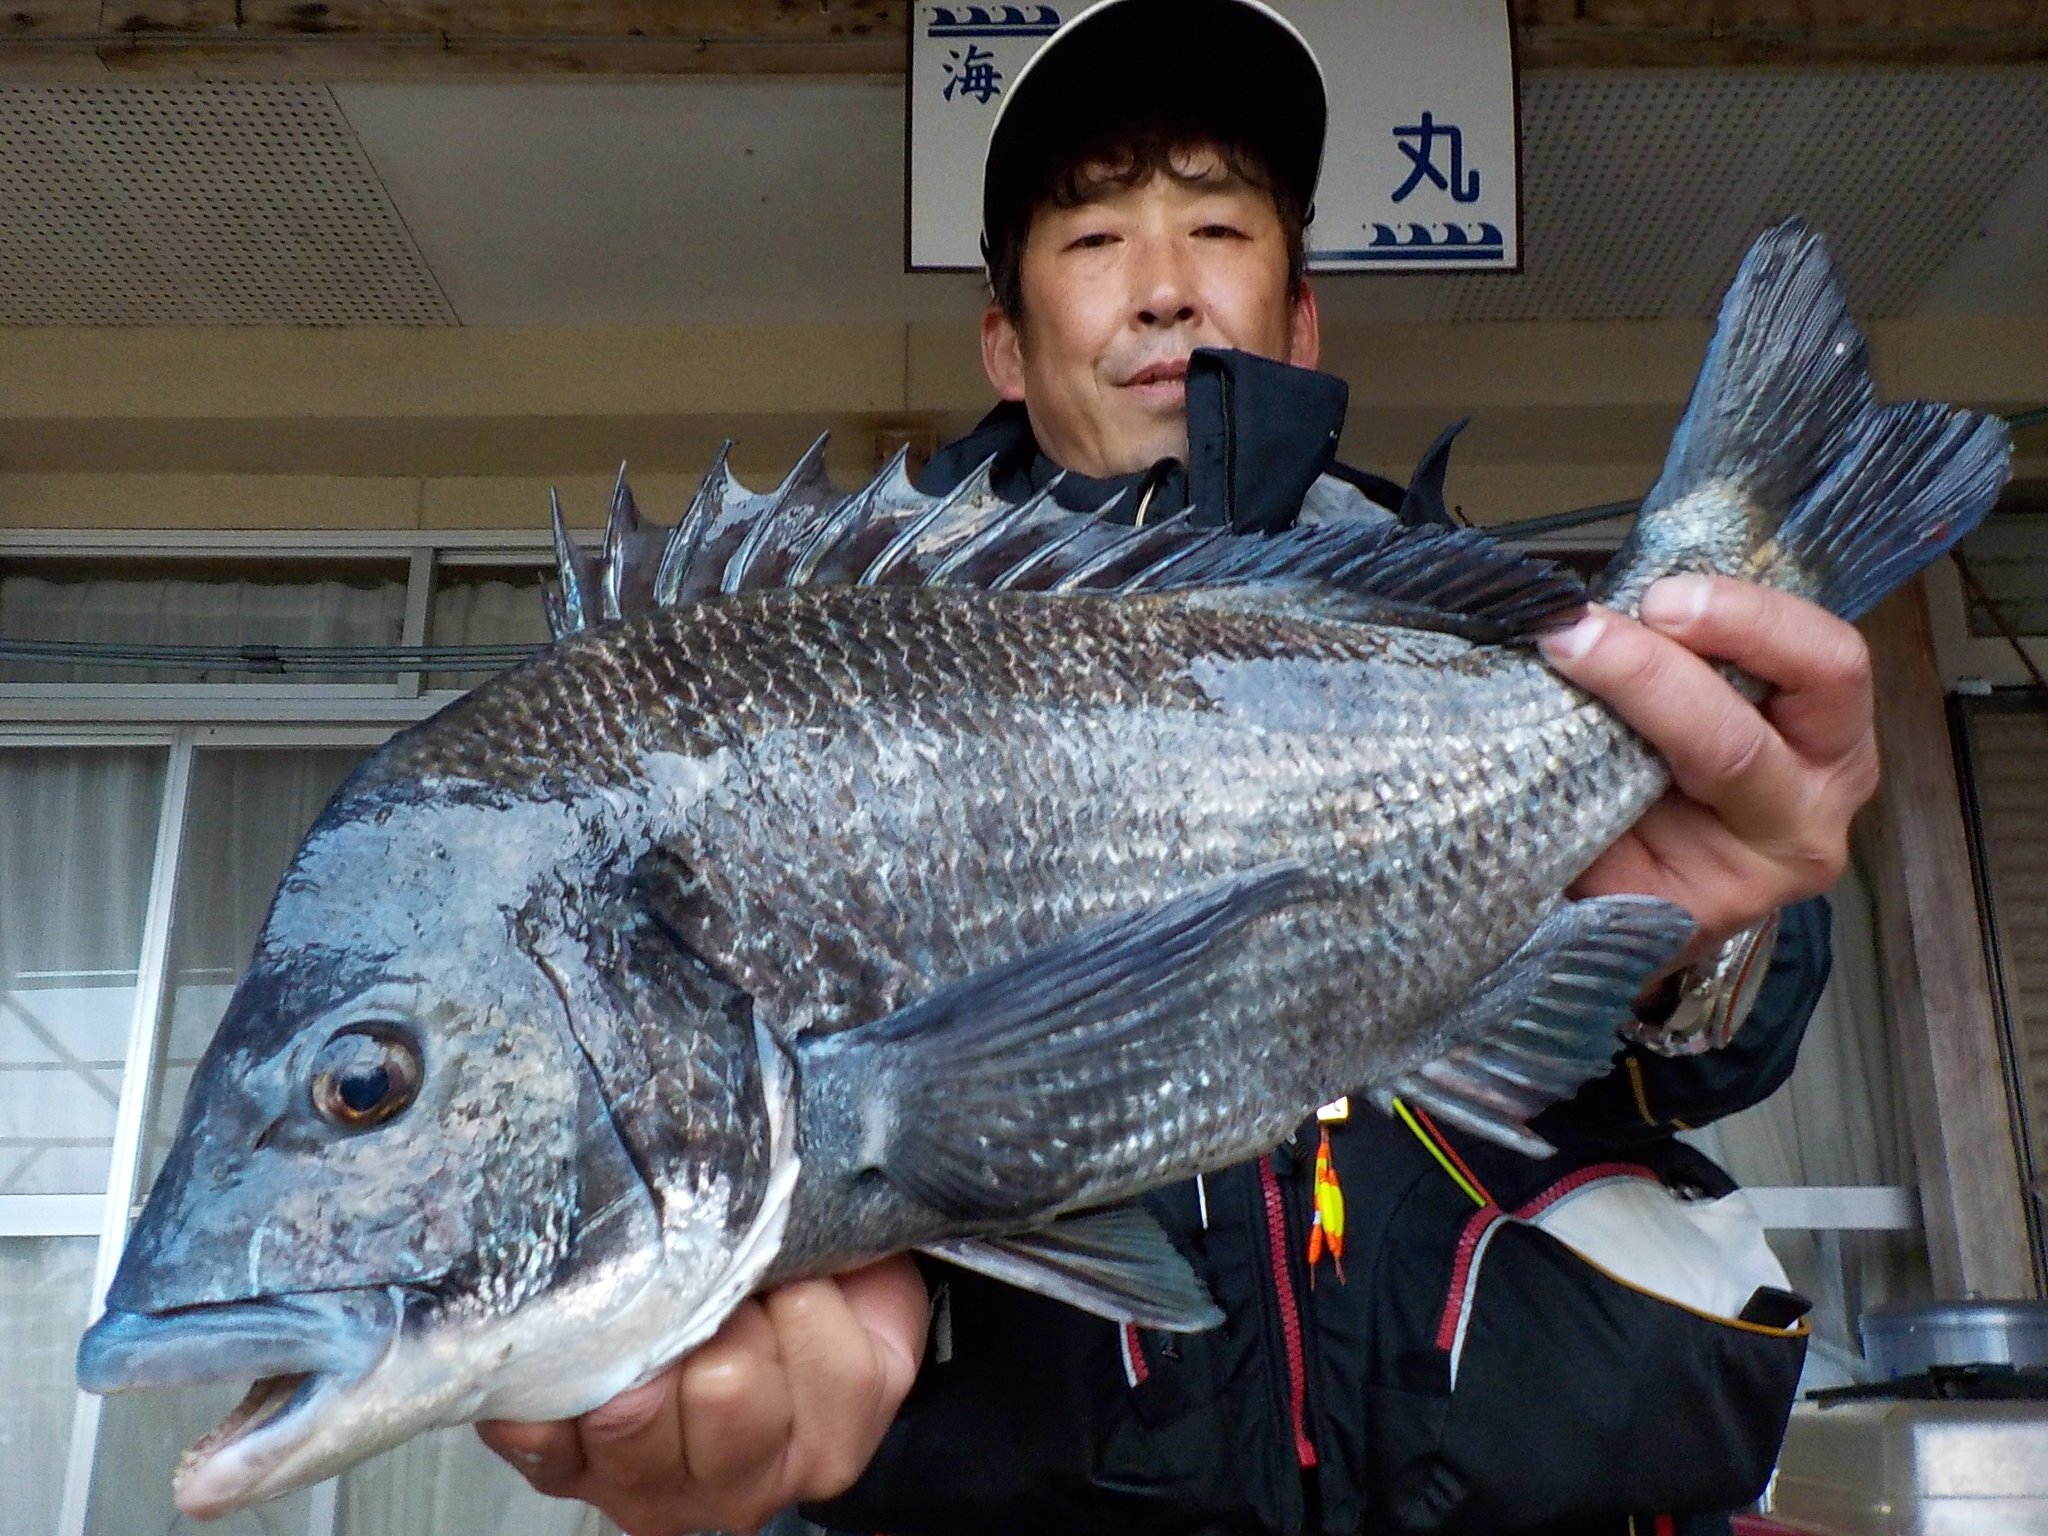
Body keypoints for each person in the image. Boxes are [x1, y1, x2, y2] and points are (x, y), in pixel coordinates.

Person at [481, 3, 1873, 1531]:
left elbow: (1716, 1057)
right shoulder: (855, 696)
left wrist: (1713, 932)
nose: (1159, 288)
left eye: (1214, 224)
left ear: (1300, 315)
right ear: (1005, 344)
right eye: (1091, 241)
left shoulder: (1479, 637)